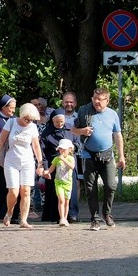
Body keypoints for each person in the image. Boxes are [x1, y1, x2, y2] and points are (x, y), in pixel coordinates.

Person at [71, 87, 126, 231]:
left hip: (107, 155)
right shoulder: (84, 111)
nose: (96, 102)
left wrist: (121, 155)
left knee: (110, 186)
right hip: (89, 155)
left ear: (107, 100)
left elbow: (117, 135)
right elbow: (73, 130)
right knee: (90, 188)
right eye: (94, 99)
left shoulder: (113, 115)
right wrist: (82, 131)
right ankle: (94, 219)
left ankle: (106, 214)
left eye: (100, 100)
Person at [0, 102, 44, 229]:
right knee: (13, 191)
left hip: (27, 161)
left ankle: (24, 220)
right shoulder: (11, 122)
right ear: (21, 115)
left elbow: (36, 146)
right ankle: (9, 212)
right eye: (26, 119)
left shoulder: (32, 127)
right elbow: (1, 141)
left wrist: (40, 163)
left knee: (25, 191)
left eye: (31, 120)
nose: (28, 122)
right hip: (11, 160)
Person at [39, 109, 70, 223]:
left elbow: (76, 143)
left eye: (62, 121)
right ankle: (53, 215)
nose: (60, 124)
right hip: (53, 164)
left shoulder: (70, 129)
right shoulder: (47, 132)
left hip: (67, 165)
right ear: (52, 121)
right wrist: (46, 167)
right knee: (53, 192)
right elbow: (42, 151)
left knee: (67, 192)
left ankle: (68, 215)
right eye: (57, 122)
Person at [43, 138, 75, 226]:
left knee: (66, 201)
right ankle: (62, 218)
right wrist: (46, 172)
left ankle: (65, 217)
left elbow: (72, 167)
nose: (62, 151)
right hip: (59, 182)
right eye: (61, 149)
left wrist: (63, 159)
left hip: (68, 183)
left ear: (69, 149)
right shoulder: (56, 159)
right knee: (61, 200)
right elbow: (51, 168)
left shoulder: (71, 158)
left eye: (64, 149)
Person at [61, 92, 80, 222]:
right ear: (62, 103)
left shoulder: (79, 118)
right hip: (58, 155)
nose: (69, 104)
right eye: (66, 102)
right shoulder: (57, 116)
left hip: (74, 155)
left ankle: (73, 213)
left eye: (71, 102)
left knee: (74, 184)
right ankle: (61, 213)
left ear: (75, 103)